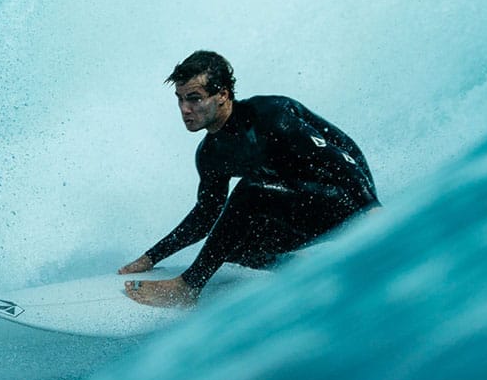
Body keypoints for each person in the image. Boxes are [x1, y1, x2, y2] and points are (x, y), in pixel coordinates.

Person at [120, 50, 379, 308]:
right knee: (227, 245)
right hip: (303, 212)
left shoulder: (272, 116)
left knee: (251, 190)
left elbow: (340, 161)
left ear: (222, 94)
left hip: (346, 201)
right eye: (180, 99)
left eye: (194, 99)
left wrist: (372, 208)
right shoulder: (211, 153)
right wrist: (151, 257)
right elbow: (207, 214)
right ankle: (294, 267)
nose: (185, 109)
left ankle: (189, 286)